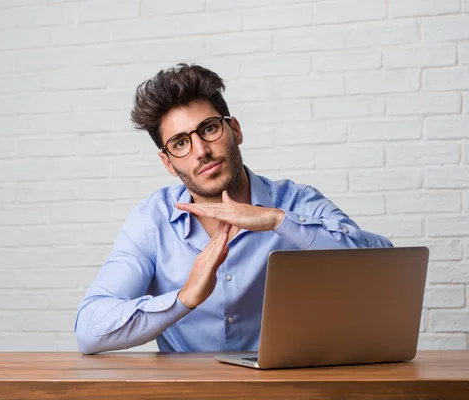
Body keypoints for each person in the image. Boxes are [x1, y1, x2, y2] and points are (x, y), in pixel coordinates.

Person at [74, 63, 392, 355]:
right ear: (167, 162)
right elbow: (89, 329)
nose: (201, 151)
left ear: (235, 130)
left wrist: (277, 220)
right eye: (180, 143)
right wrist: (184, 299)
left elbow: (383, 264)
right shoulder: (151, 220)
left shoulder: (295, 202)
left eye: (209, 129)